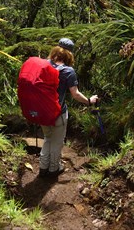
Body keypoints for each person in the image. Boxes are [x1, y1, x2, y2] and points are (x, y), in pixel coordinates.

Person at [39, 38, 98, 178]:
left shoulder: (44, 65)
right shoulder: (68, 71)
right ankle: (54, 169)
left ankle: (42, 167)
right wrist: (89, 101)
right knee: (57, 141)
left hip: (42, 111)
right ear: (69, 54)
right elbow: (75, 94)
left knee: (47, 138)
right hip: (58, 112)